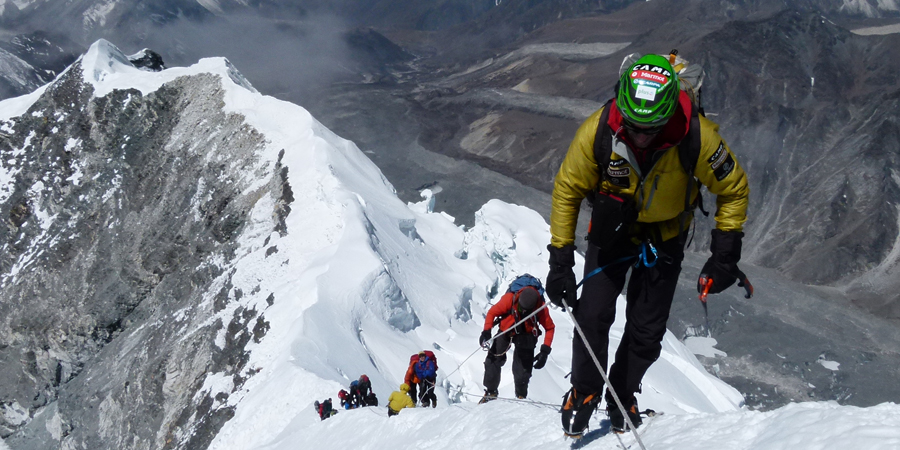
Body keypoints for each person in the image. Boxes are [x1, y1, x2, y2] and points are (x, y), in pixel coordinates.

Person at [545, 53, 749, 437]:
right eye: (634, 127)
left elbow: (733, 188)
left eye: (650, 128)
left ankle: (621, 392)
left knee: (647, 329)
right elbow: (567, 189)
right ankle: (585, 391)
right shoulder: (600, 130)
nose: (639, 136)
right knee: (591, 316)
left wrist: (725, 253)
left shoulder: (697, 135)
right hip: (611, 234)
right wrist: (560, 260)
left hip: (664, 236)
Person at [479, 285, 555, 402]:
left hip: (527, 334)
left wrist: (545, 351)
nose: (523, 311)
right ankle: (491, 391)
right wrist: (486, 331)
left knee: (522, 370)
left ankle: (521, 396)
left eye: (526, 310)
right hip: (507, 329)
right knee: (493, 359)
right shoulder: (509, 299)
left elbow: (550, 328)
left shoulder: (541, 308)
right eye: (521, 309)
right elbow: (492, 313)